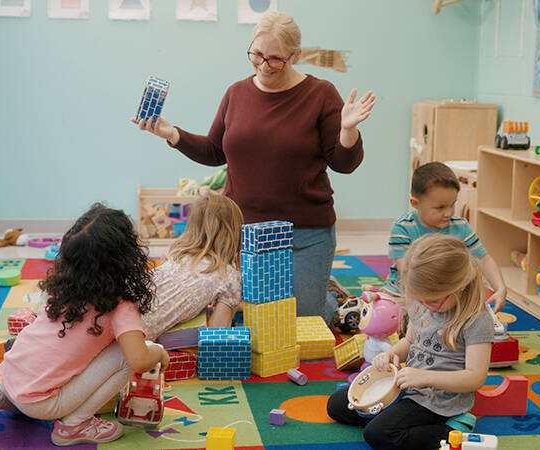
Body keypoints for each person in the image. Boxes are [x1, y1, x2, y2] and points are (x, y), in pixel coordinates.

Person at [132, 11, 375, 324]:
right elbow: (215, 150)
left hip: (305, 232)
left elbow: (344, 164)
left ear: (296, 56)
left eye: (275, 59)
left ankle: (327, 295)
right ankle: (310, 291)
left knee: (299, 323)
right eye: (257, 54)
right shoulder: (236, 93)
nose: (263, 65)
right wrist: (172, 134)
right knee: (245, 318)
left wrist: (348, 131)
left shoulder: (321, 94)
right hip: (243, 234)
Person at [0, 204, 170, 446]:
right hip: (42, 403)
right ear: (126, 258)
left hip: (11, 375)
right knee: (128, 353)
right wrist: (157, 352)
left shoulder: (63, 287)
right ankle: (75, 425)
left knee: (46, 357)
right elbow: (138, 359)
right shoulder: (121, 305)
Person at [327, 234, 494, 449]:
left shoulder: (477, 320)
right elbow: (410, 341)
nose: (424, 304)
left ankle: (453, 431)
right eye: (419, 298)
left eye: (432, 299)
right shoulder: (422, 303)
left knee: (377, 434)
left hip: (440, 401)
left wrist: (425, 377)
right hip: (407, 386)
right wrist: (391, 354)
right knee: (338, 405)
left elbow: (475, 378)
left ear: (459, 286)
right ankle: (399, 419)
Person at [382, 162, 507, 312]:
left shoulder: (460, 226)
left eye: (452, 205)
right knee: (386, 313)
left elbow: (484, 259)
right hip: (408, 292)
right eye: (440, 207)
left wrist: (500, 288)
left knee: (473, 314)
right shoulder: (403, 228)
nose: (449, 213)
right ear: (416, 203)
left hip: (448, 295)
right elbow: (407, 272)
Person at [143, 193, 244, 340]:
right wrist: (233, 304)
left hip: (122, 310)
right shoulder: (228, 275)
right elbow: (216, 335)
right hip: (138, 335)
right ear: (234, 233)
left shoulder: (177, 254)